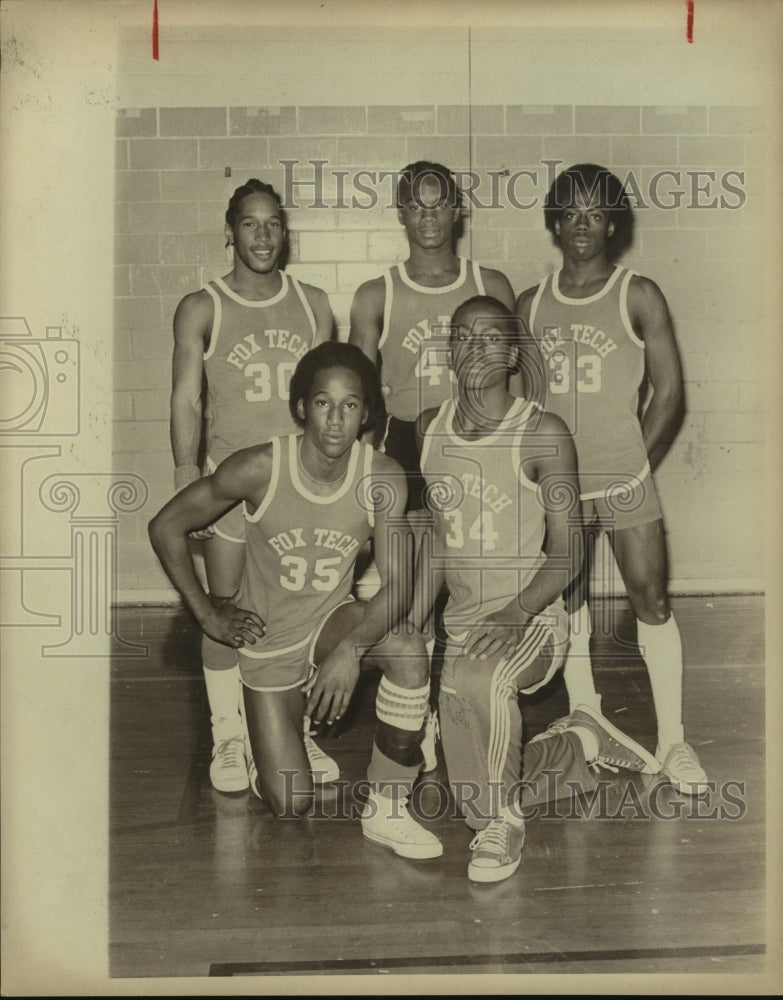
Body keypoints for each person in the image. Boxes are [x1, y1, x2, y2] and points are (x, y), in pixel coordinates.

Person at [151, 342, 442, 859]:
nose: (335, 420)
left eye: (350, 405)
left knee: (407, 647)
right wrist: (208, 614)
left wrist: (351, 650)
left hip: (331, 621)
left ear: (366, 413)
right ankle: (268, 737)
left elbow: (398, 584)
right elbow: (166, 526)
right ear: (302, 407)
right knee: (292, 802)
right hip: (269, 642)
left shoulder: (383, 477)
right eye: (323, 403)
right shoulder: (259, 468)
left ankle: (387, 805)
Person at [410, 295, 662, 884]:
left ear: (516, 351)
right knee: (468, 767)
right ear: (449, 350)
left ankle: (504, 826)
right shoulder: (428, 429)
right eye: (464, 337)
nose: (477, 348)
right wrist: (414, 625)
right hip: (463, 626)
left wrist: (519, 611)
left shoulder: (542, 431)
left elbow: (569, 550)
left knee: (481, 687)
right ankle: (576, 748)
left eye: (492, 336)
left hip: (536, 617)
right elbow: (437, 540)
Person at [516, 163, 708, 796]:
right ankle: (586, 713)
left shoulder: (637, 293)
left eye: (595, 214)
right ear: (554, 219)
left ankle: (674, 742)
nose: (581, 225)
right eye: (570, 212)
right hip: (560, 486)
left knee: (650, 601)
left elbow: (671, 392)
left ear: (613, 223)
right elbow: (523, 404)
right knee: (567, 604)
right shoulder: (531, 302)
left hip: (624, 476)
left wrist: (635, 463)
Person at [169, 179, 335, 793]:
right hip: (233, 485)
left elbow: (329, 395)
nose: (263, 236)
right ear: (230, 231)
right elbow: (187, 396)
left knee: (299, 610)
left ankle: (295, 731)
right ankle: (229, 735)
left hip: (299, 482)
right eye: (250, 224)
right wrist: (189, 477)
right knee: (226, 607)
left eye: (273, 224)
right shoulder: (202, 305)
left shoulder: (314, 302)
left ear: (284, 232)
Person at [349, 161, 517, 767]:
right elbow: (360, 392)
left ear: (456, 212)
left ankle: (459, 706)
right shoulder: (376, 293)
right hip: (406, 444)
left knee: (466, 580)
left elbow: (518, 374)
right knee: (416, 589)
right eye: (415, 206)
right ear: (401, 213)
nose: (427, 217)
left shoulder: (490, 281)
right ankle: (414, 709)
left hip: (476, 438)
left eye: (438, 205)